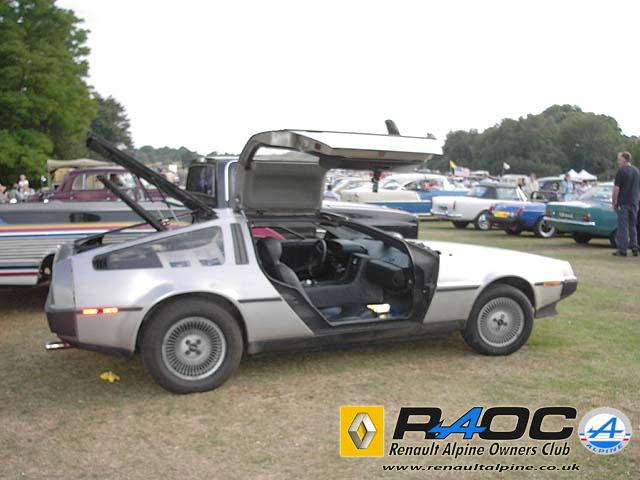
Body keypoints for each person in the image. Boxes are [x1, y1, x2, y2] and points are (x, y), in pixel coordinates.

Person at [612, 151, 640, 257]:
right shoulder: (637, 171)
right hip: (634, 203)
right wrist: (637, 202)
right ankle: (635, 248)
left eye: (619, 159)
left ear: (624, 159)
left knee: (623, 227)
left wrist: (614, 201)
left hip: (623, 203)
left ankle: (622, 249)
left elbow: (616, 188)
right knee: (633, 226)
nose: (618, 161)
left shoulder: (621, 171)